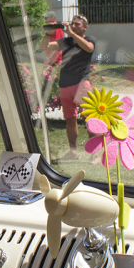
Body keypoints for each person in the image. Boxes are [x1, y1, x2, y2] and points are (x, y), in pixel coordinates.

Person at [45, 14, 95, 159]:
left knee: (89, 119)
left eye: (77, 24)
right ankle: (73, 152)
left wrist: (71, 33)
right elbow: (45, 46)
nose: (73, 26)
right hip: (65, 85)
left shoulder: (88, 40)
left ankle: (94, 153)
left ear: (85, 27)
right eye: (72, 24)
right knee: (70, 119)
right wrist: (49, 32)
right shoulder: (66, 42)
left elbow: (89, 49)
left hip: (81, 84)